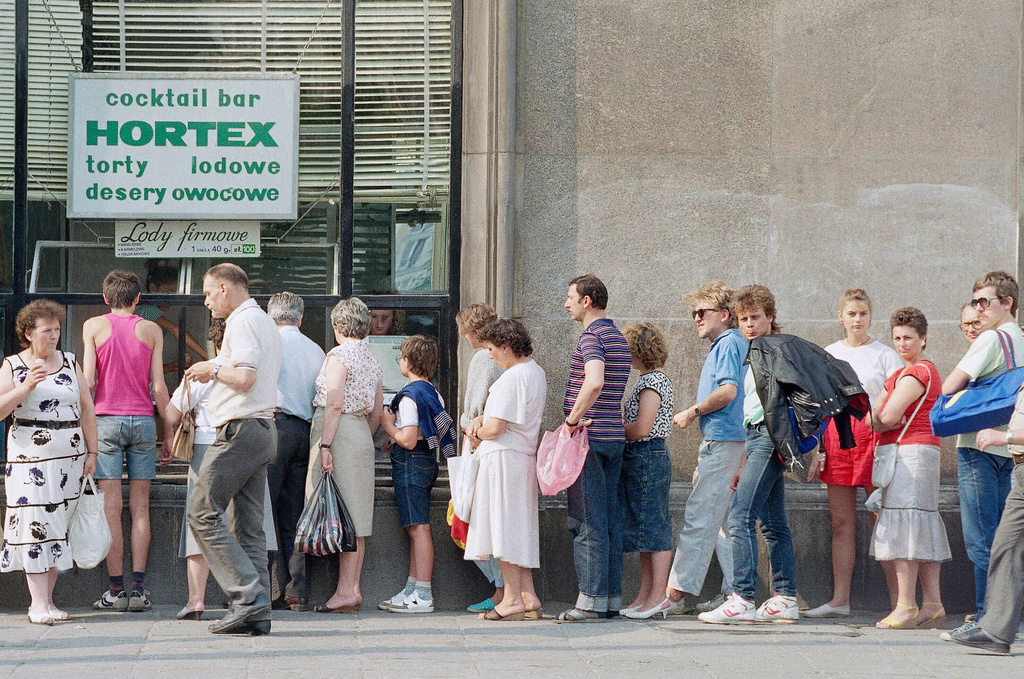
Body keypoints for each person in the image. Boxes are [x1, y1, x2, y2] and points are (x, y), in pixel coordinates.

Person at [184, 263, 282, 636]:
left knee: (201, 512)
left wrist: (212, 368)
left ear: (224, 288)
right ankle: (257, 613)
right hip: (263, 428)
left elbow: (244, 378)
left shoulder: (241, 322)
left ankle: (247, 595)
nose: (207, 302)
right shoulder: (264, 321)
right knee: (248, 526)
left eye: (208, 293)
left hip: (240, 429)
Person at [165, 318, 279, 621]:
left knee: (201, 518)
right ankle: (259, 603)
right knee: (249, 526)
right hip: (256, 437)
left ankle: (199, 599)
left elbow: (172, 413)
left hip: (208, 446)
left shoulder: (205, 371)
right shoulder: (255, 368)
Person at [699, 285, 799, 625]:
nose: (749, 324)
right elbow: (753, 409)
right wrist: (744, 460)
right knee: (772, 522)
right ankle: (784, 596)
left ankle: (741, 596)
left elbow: (790, 401)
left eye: (756, 317)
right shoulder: (754, 351)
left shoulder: (776, 350)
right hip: (757, 437)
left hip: (770, 437)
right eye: (743, 319)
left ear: (770, 317)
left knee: (740, 516)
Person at [805, 288, 902, 618]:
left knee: (884, 520)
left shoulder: (885, 355)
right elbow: (818, 405)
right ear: (841, 317)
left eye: (863, 313)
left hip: (875, 437)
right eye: (851, 313)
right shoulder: (829, 354)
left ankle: (899, 603)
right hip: (837, 437)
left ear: (870, 315)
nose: (857, 319)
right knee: (841, 523)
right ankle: (840, 600)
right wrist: (816, 446)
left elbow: (895, 398)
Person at [0, 300, 98, 625]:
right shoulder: (13, 365)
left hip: (70, 456)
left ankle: (49, 600)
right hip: (31, 459)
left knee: (58, 528)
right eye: (47, 330)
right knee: (35, 525)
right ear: (28, 333)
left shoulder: (70, 361)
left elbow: (87, 408)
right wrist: (26, 386)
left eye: (57, 329)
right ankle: (37, 603)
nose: (54, 336)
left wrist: (93, 452)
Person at [83, 270, 172, 613]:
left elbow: (89, 381)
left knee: (110, 507)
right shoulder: (151, 329)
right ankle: (139, 590)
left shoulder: (93, 326)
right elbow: (159, 388)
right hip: (144, 422)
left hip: (105, 421)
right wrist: (169, 429)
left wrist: (82, 425)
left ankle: (115, 591)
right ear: (138, 299)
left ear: (106, 298)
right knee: (140, 508)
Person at [941, 271, 1024, 627]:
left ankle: (986, 617)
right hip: (1012, 445)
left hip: (979, 443)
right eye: (975, 302)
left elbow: (949, 385)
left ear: (1006, 303)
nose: (978, 310)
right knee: (1006, 538)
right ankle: (1006, 615)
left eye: (984, 302)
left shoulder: (991, 339)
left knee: (980, 537)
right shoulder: (1020, 338)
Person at [665, 282, 747, 617]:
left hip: (724, 440)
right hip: (731, 440)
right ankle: (735, 593)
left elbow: (728, 391)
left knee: (700, 516)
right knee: (724, 522)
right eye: (693, 313)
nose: (696, 318)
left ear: (724, 315)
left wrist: (693, 411)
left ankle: (673, 594)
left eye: (703, 312)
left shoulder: (728, 342)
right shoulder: (732, 343)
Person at [866, 307, 950, 629]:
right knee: (920, 523)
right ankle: (932, 604)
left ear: (923, 338)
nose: (902, 343)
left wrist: (881, 418)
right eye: (897, 338)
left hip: (912, 453)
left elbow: (883, 417)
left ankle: (905, 605)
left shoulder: (920, 372)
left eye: (909, 337)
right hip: (911, 452)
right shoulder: (898, 375)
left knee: (906, 523)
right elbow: (876, 416)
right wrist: (881, 418)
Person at [557, 273, 632, 622]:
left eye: (571, 297)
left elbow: (595, 380)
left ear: (588, 300)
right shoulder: (617, 336)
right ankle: (608, 599)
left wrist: (572, 420)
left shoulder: (591, 336)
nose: (567, 303)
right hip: (614, 437)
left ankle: (588, 602)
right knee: (609, 520)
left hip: (589, 438)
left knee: (586, 521)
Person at [463, 318, 548, 621]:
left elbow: (496, 428)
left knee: (504, 528)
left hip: (504, 458)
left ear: (507, 347)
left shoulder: (513, 377)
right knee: (516, 526)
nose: (490, 356)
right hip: (519, 456)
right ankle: (527, 594)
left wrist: (475, 431)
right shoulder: (534, 372)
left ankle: (511, 598)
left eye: (491, 349)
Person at [308, 297, 384, 614]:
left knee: (335, 512)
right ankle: (351, 589)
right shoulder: (372, 359)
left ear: (338, 327)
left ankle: (344, 592)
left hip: (336, 432)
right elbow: (377, 412)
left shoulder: (339, 355)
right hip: (360, 435)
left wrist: (326, 445)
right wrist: (361, 433)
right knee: (357, 517)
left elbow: (335, 401)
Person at [377, 335, 454, 614]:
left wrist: (388, 425)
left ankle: (423, 593)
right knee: (413, 527)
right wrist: (396, 436)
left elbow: (408, 439)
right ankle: (411, 590)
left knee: (419, 528)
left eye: (400, 357)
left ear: (407, 361)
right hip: (426, 461)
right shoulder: (433, 392)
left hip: (410, 462)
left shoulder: (409, 396)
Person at [950, 392, 1024, 654]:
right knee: (1005, 548)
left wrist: (1004, 437)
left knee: (1006, 547)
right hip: (1019, 469)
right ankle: (996, 632)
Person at [266, 292, 325, 612]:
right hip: (306, 432)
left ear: (269, 316)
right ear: (300, 318)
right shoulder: (317, 350)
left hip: (274, 429)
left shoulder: (269, 344)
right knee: (295, 515)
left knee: (260, 511)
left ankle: (260, 588)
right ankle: (297, 589)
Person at [618, 322, 674, 619]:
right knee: (644, 528)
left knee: (654, 526)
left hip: (647, 456)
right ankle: (645, 594)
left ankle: (658, 596)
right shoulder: (646, 379)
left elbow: (642, 428)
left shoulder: (653, 381)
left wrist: (615, 430)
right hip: (643, 457)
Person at [455, 303, 506, 613]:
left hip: (478, 440)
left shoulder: (481, 358)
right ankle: (504, 588)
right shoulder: (503, 354)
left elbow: (475, 404)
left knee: (469, 518)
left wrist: (466, 424)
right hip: (496, 441)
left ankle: (500, 589)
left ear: (474, 332)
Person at [136, 263, 208, 374]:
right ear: (153, 289)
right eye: (167, 291)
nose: (171, 297)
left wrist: (171, 366)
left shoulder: (152, 312)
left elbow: (146, 370)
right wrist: (206, 355)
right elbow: (175, 329)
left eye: (174, 293)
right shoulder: (147, 310)